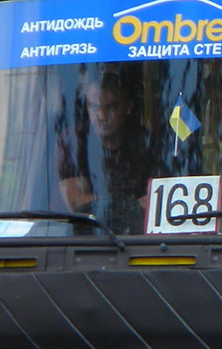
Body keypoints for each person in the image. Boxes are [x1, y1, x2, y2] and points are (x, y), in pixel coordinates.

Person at [57, 71, 153, 233]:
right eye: (94, 107)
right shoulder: (73, 140)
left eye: (111, 107)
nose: (101, 115)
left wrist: (105, 204)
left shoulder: (145, 141)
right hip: (83, 236)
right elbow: (76, 200)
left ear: (128, 107)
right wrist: (130, 206)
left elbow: (156, 201)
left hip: (139, 238)